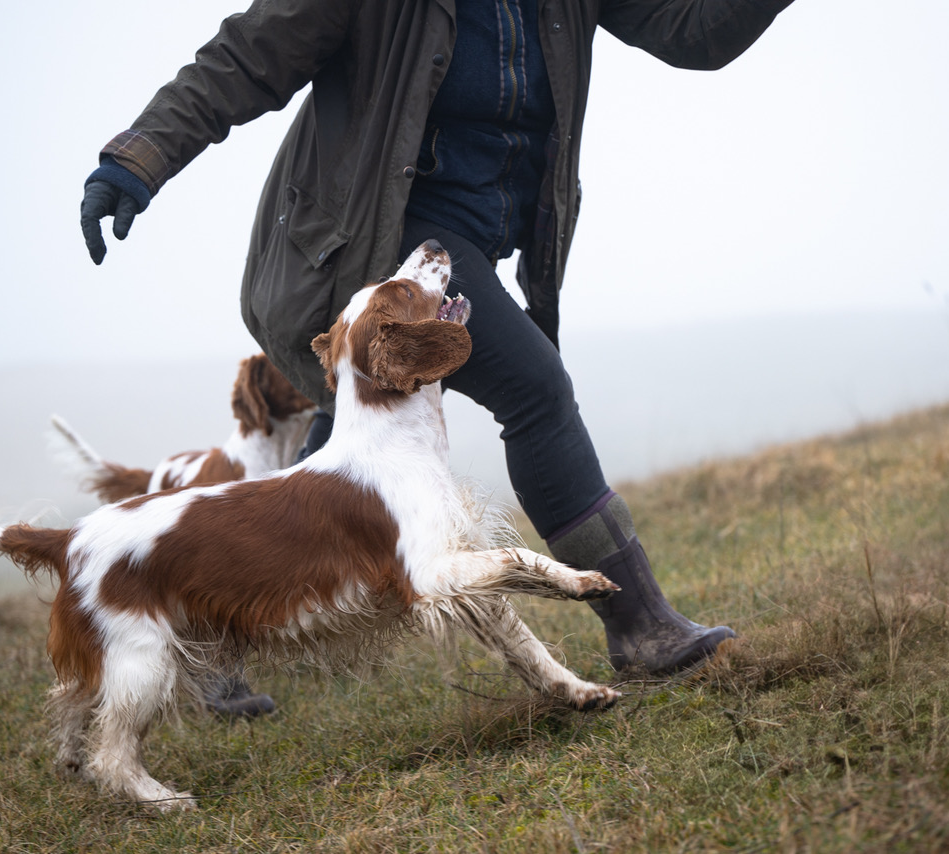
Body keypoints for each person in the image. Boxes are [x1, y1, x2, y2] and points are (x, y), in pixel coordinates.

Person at [80, 0, 796, 715]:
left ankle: (213, 648)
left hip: (472, 236)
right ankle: (641, 625)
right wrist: (137, 158)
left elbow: (690, 31)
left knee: (338, 468)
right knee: (536, 391)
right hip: (383, 236)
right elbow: (245, 55)